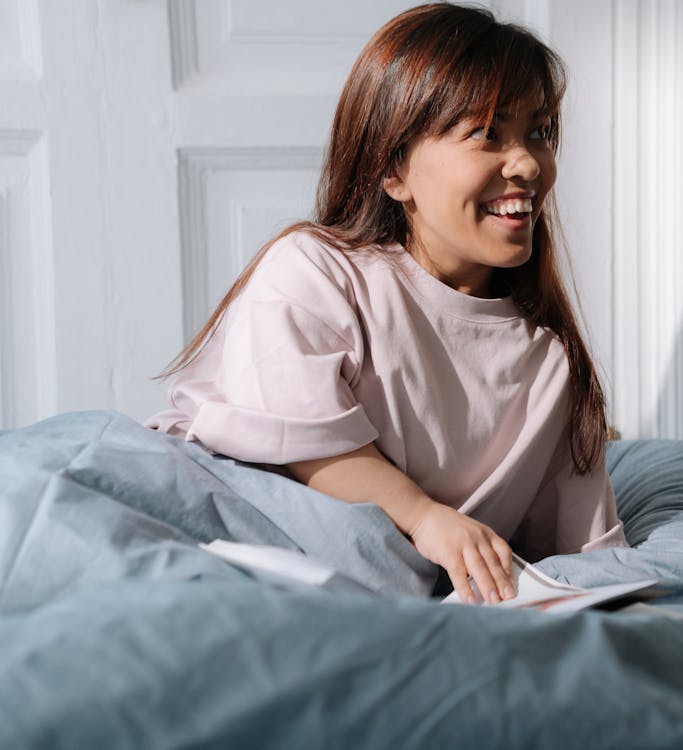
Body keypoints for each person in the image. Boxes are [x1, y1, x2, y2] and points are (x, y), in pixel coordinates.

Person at [147, 2, 627, 606]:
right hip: (215, 557)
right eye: (487, 134)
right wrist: (425, 517)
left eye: (540, 132)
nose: (529, 163)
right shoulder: (316, 271)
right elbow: (300, 443)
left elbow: (592, 560)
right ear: (394, 168)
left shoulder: (554, 365)